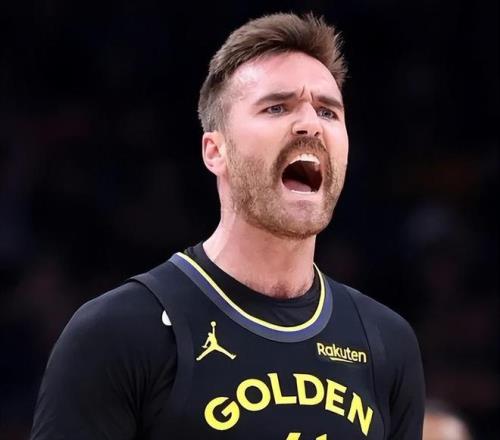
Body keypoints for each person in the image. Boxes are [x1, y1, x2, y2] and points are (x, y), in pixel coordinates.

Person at [31, 12, 425, 439]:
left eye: (328, 112)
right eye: (277, 107)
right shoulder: (118, 331)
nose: (310, 124)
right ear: (215, 151)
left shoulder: (385, 341)